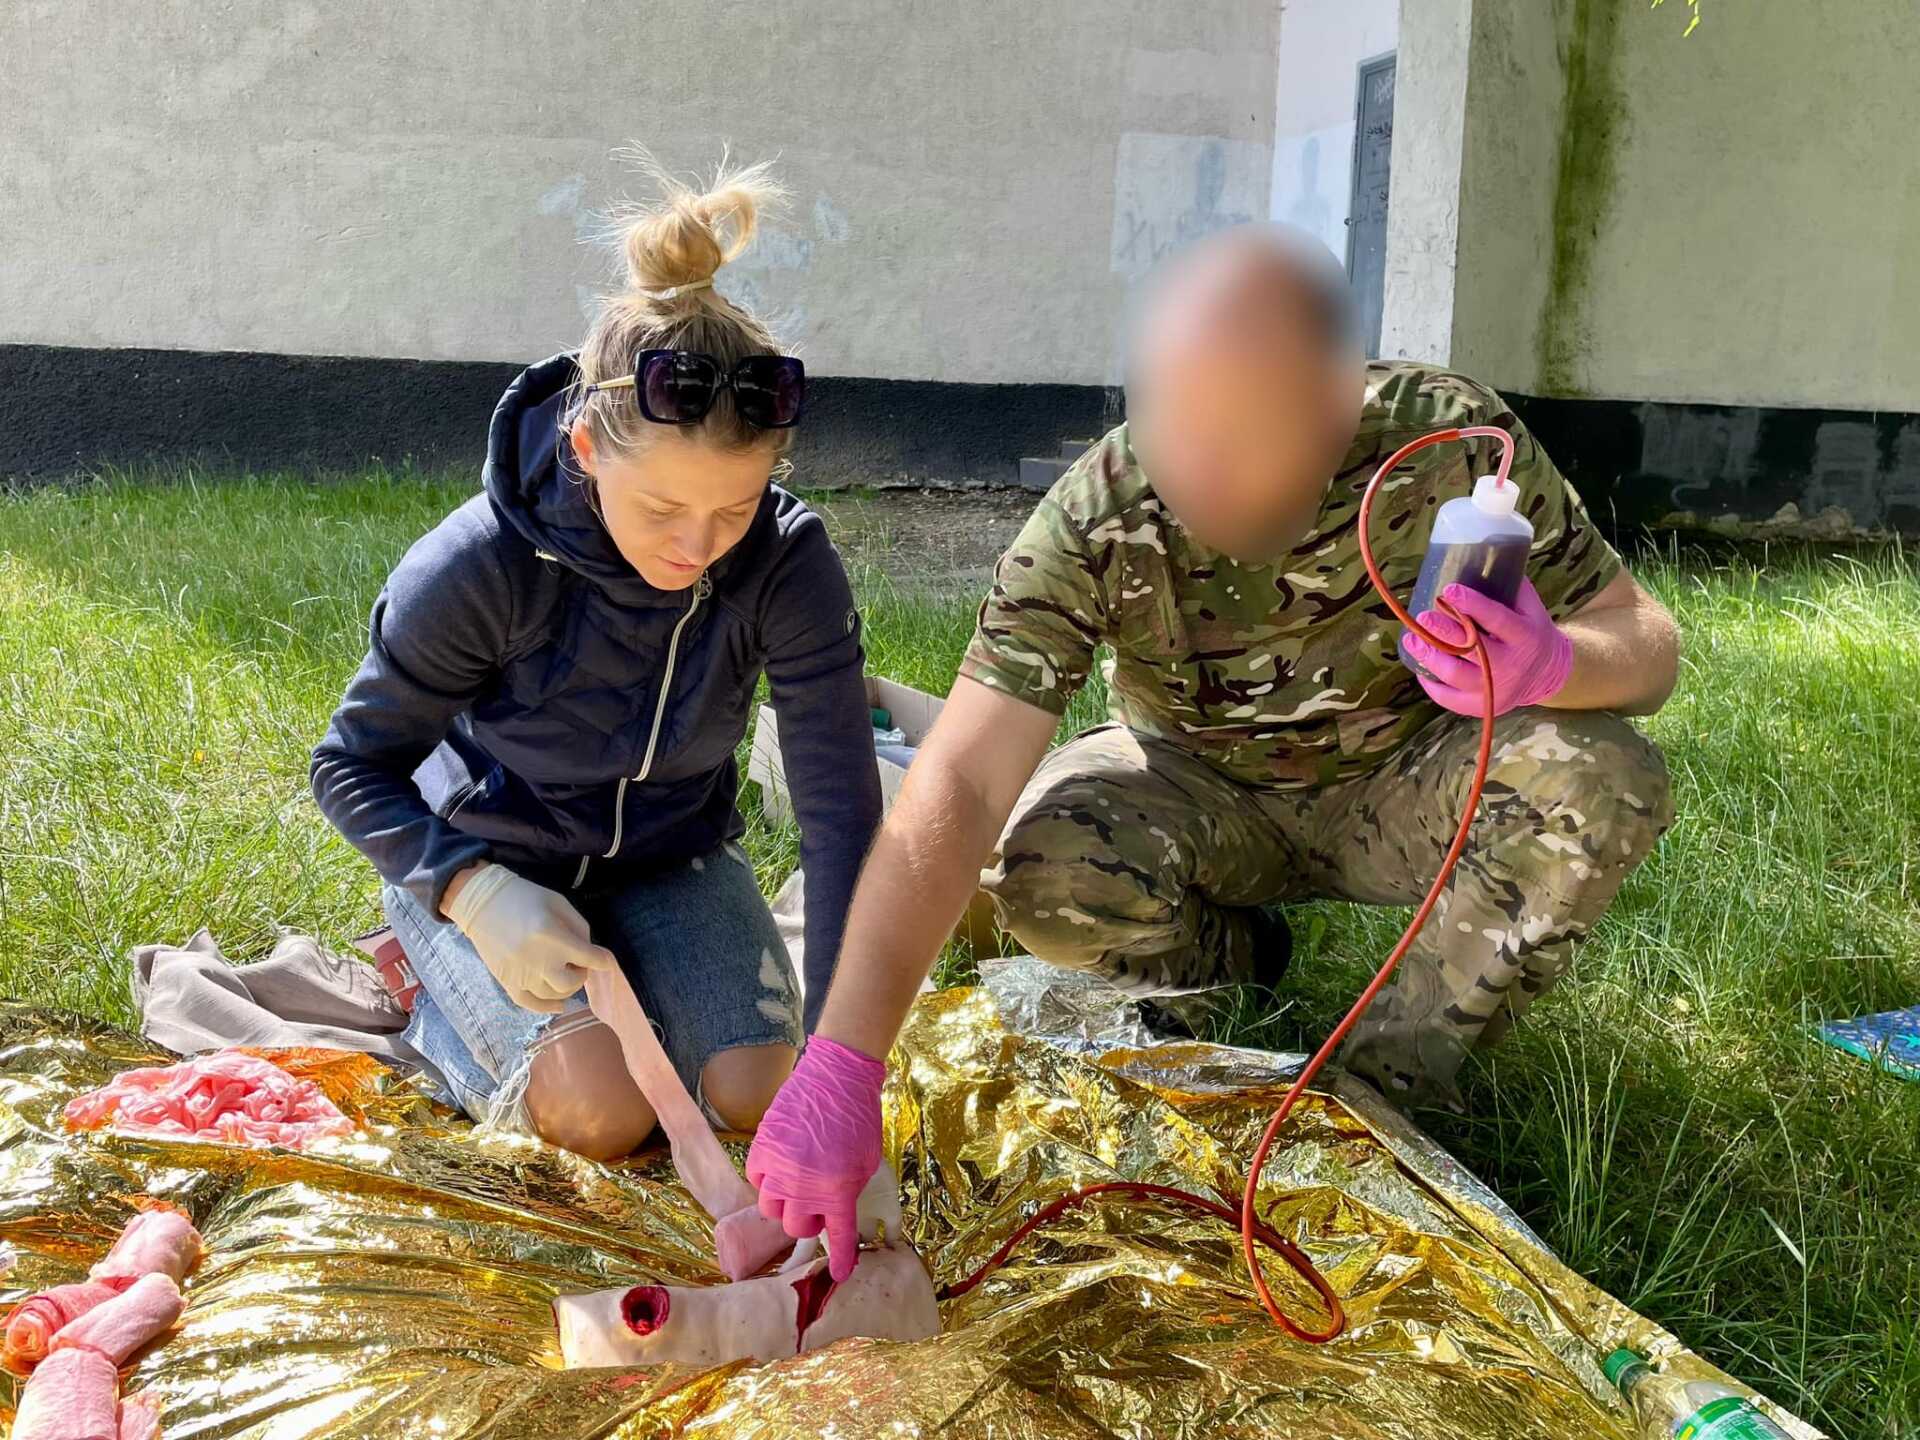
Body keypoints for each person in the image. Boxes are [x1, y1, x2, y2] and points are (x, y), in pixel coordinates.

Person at [746, 224, 1679, 1258]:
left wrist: (1555, 663)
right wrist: (843, 1060)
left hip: (1405, 784)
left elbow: (1646, 643)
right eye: (1170, 425)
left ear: (1338, 405)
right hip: (1197, 787)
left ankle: (1377, 1106)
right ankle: (1234, 970)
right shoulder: (1101, 510)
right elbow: (962, 776)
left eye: (1238, 439)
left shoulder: (1449, 448)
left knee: (1599, 779)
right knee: (1045, 863)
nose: (1195, 473)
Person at [311, 155, 882, 1160]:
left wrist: (843, 1064)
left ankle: (640, 983)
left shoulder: (787, 564)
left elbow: (840, 814)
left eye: (735, 507)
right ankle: (427, 964)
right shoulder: (479, 567)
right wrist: (469, 891)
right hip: (494, 857)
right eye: (661, 507)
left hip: (670, 854)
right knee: (600, 1119)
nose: (697, 545)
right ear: (585, 451)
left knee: (759, 1093)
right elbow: (349, 766)